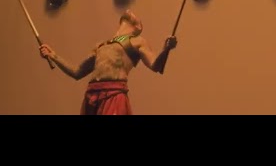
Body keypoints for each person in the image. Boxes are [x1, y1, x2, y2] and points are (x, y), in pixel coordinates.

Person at [39, 9, 177, 115]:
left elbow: (155, 66)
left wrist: (166, 50)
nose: (129, 10)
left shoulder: (136, 41)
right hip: (91, 96)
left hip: (113, 95)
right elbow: (77, 72)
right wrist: (54, 56)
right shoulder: (101, 45)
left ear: (138, 27)